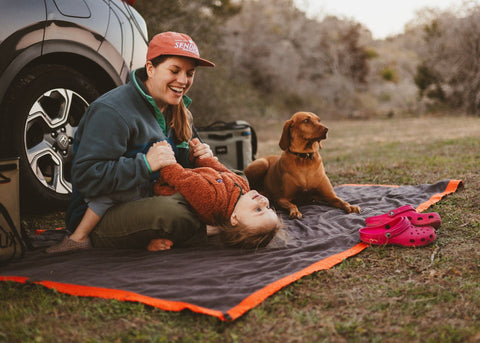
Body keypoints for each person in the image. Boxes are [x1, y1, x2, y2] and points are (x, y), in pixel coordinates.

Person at [48, 32, 218, 253]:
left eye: (190, 73)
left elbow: (183, 170)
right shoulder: (111, 111)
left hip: (157, 196)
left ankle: (208, 222)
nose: (183, 81)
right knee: (173, 213)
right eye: (175, 70)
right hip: (102, 213)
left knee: (234, 179)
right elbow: (86, 176)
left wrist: (198, 158)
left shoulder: (177, 108)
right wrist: (145, 164)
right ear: (150, 68)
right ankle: (218, 225)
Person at [48, 138, 282, 253]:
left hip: (161, 183)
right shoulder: (241, 185)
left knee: (108, 196)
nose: (263, 201)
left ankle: (78, 238)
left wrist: (165, 163)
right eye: (269, 207)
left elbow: (184, 180)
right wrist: (203, 157)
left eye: (258, 211)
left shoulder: (213, 201)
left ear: (235, 219)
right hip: (186, 177)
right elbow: (218, 168)